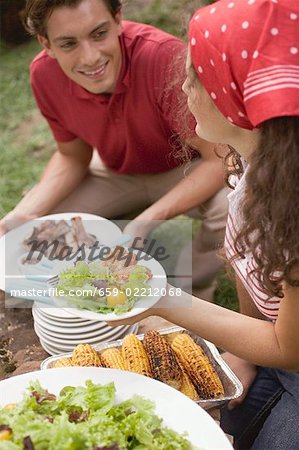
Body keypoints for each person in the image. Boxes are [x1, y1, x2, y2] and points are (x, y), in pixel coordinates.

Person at [111, 1, 299, 448]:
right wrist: (242, 349)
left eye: (195, 76)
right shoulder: (257, 169)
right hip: (278, 350)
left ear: (236, 97)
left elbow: (291, 348)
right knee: (222, 424)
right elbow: (251, 264)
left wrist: (163, 299)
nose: (181, 84)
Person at [0, 0, 229, 300]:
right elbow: (73, 156)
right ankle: (74, 288)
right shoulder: (43, 74)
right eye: (68, 43)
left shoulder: (163, 56)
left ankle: (190, 289)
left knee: (233, 207)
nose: (90, 57)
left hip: (188, 167)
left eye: (99, 34)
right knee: (39, 226)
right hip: (115, 170)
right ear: (46, 44)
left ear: (118, 19)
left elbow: (218, 159)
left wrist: (146, 222)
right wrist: (21, 215)